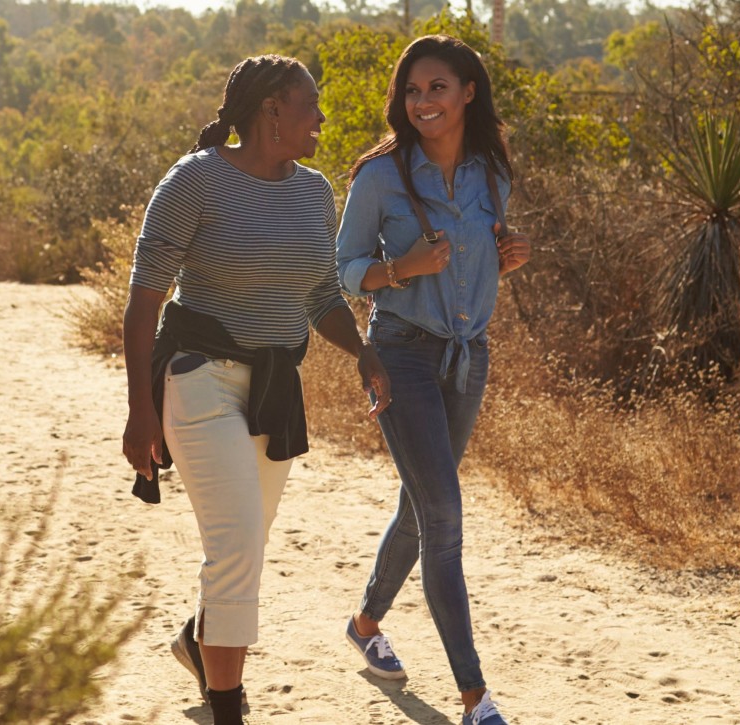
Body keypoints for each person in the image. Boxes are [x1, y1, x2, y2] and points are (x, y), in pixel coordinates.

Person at [120, 54, 391, 725]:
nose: (322, 116)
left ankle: (197, 639)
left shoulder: (313, 191)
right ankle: (228, 709)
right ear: (273, 108)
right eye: (311, 104)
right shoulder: (195, 181)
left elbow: (321, 294)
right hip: (198, 378)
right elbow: (143, 301)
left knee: (245, 544)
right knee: (238, 542)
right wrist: (139, 410)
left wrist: (362, 350)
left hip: (274, 389)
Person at [333, 35, 533, 725]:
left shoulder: (490, 170)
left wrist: (508, 256)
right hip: (401, 355)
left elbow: (486, 250)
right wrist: (401, 270)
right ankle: (476, 697)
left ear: (468, 91)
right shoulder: (381, 176)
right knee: (444, 516)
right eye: (413, 91)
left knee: (423, 506)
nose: (424, 102)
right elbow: (344, 267)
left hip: (468, 356)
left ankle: (364, 621)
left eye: (438, 88)